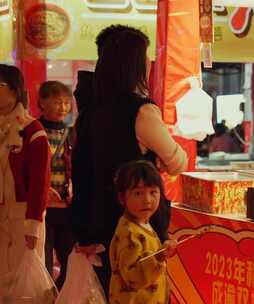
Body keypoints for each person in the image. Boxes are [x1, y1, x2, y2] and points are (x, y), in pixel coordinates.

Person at [70, 26, 188, 293]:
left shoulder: (89, 113)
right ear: (134, 64)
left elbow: (80, 173)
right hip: (136, 228)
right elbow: (178, 162)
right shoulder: (141, 111)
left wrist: (82, 230)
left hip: (98, 227)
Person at [0, 64, 50, 276]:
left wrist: (33, 227)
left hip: (23, 217)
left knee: (23, 282)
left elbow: (40, 182)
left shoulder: (32, 130)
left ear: (14, 89)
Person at [109, 161, 177, 303]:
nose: (147, 200)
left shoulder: (143, 223)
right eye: (138, 193)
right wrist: (158, 257)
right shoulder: (128, 233)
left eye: (153, 192)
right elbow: (133, 277)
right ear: (122, 198)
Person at [38, 80, 76, 288]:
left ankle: (59, 295)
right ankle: (44, 295)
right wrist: (43, 189)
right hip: (41, 207)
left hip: (65, 206)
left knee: (69, 257)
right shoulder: (33, 130)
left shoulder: (71, 133)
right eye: (56, 102)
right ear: (42, 102)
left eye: (66, 103)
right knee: (42, 260)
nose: (63, 108)